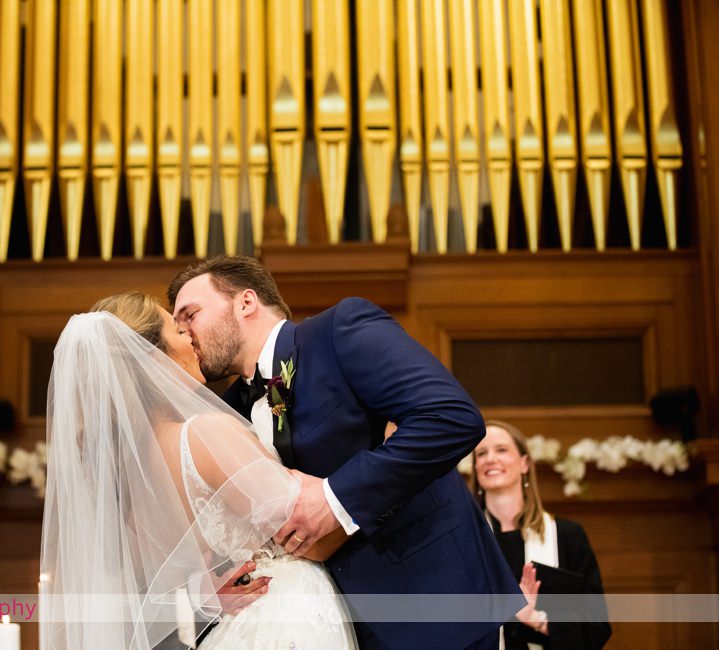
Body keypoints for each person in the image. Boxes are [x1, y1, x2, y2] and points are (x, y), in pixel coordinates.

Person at [168, 256, 523, 650]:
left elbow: (450, 417)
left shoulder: (338, 332)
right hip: (320, 621)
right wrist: (214, 584)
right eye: (177, 326)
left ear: (246, 302)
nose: (184, 334)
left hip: (428, 597)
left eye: (190, 315)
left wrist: (335, 497)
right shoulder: (225, 411)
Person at [40, 291, 358, 649]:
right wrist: (366, 480)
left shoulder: (124, 479)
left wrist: (201, 593)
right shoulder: (205, 434)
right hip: (284, 615)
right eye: (178, 332)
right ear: (154, 360)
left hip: (232, 626)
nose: (191, 338)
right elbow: (313, 538)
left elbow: (146, 590)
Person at [471, 420, 612, 649]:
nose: (490, 459)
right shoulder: (466, 541)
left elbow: (596, 627)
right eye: (481, 453)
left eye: (502, 450)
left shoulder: (567, 537)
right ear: (476, 469)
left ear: (524, 463)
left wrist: (535, 620)